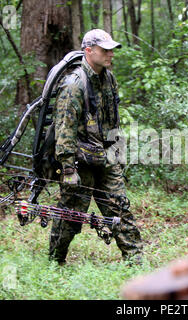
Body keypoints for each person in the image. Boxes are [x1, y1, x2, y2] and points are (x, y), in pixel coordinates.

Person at [48, 29, 143, 265]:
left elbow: (113, 121)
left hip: (106, 156)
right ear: (88, 51)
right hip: (80, 162)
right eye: (105, 50)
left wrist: (118, 155)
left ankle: (135, 262)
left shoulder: (108, 78)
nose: (111, 54)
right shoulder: (74, 84)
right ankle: (54, 262)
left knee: (119, 207)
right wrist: (68, 170)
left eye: (112, 49)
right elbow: (64, 129)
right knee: (71, 214)